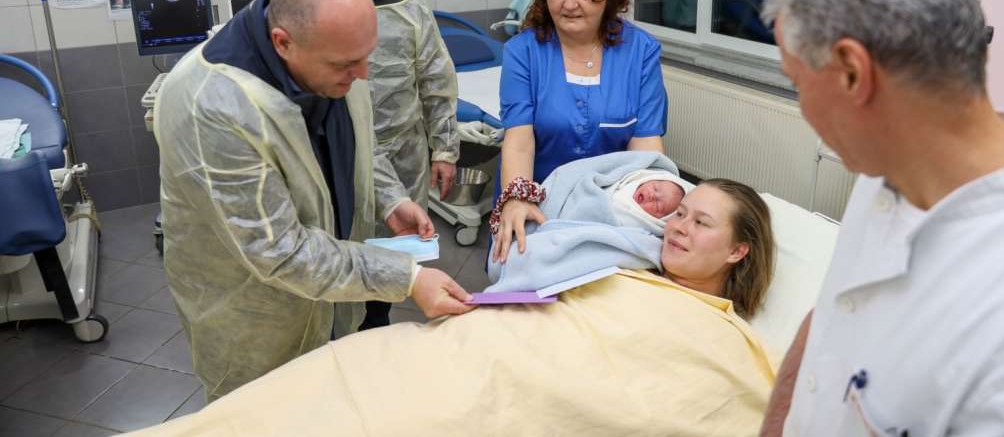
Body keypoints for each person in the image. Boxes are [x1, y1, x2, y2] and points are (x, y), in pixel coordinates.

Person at [127, 176, 777, 437]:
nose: (677, 227)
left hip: (508, 394)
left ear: (739, 251)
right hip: (457, 350)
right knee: (332, 380)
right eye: (679, 214)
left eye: (700, 223)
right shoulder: (619, 269)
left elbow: (682, 406)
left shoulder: (723, 339)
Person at [154, 0, 472, 401]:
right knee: (268, 414)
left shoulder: (331, 56)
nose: (363, 75)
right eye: (349, 64)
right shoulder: (213, 108)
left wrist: (389, 198)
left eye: (365, 57)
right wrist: (408, 278)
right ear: (283, 43)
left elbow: (360, 141)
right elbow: (280, 253)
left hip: (332, 295)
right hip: (259, 319)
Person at [757, 0, 1004, 436]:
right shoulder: (888, 166)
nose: (803, 107)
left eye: (797, 83)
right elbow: (830, 317)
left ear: (852, 73)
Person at [494, 0, 669, 262]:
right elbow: (519, 141)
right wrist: (518, 198)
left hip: (613, 203)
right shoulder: (523, 52)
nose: (569, 4)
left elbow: (645, 146)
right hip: (537, 199)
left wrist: (645, 211)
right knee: (525, 268)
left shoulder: (640, 51)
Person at [331, 0, 459, 330]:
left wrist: (445, 149)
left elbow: (436, 77)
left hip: (405, 153)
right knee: (345, 253)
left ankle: (377, 326)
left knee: (396, 251)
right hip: (344, 151)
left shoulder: (408, 2)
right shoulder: (323, 2)